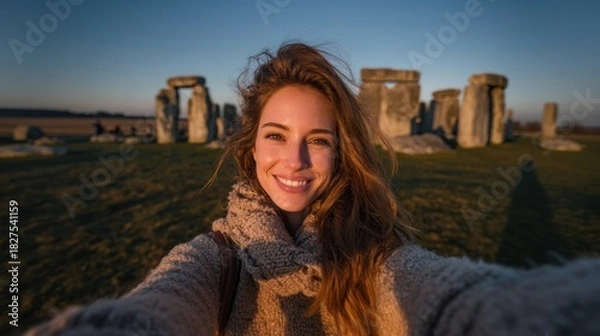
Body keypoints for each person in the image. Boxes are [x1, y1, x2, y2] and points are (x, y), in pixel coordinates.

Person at [26, 43, 600, 336]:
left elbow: (451, 297)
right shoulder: (215, 258)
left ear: (342, 150)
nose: (295, 161)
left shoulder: (376, 257)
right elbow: (155, 309)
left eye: (319, 140)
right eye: (276, 135)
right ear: (250, 146)